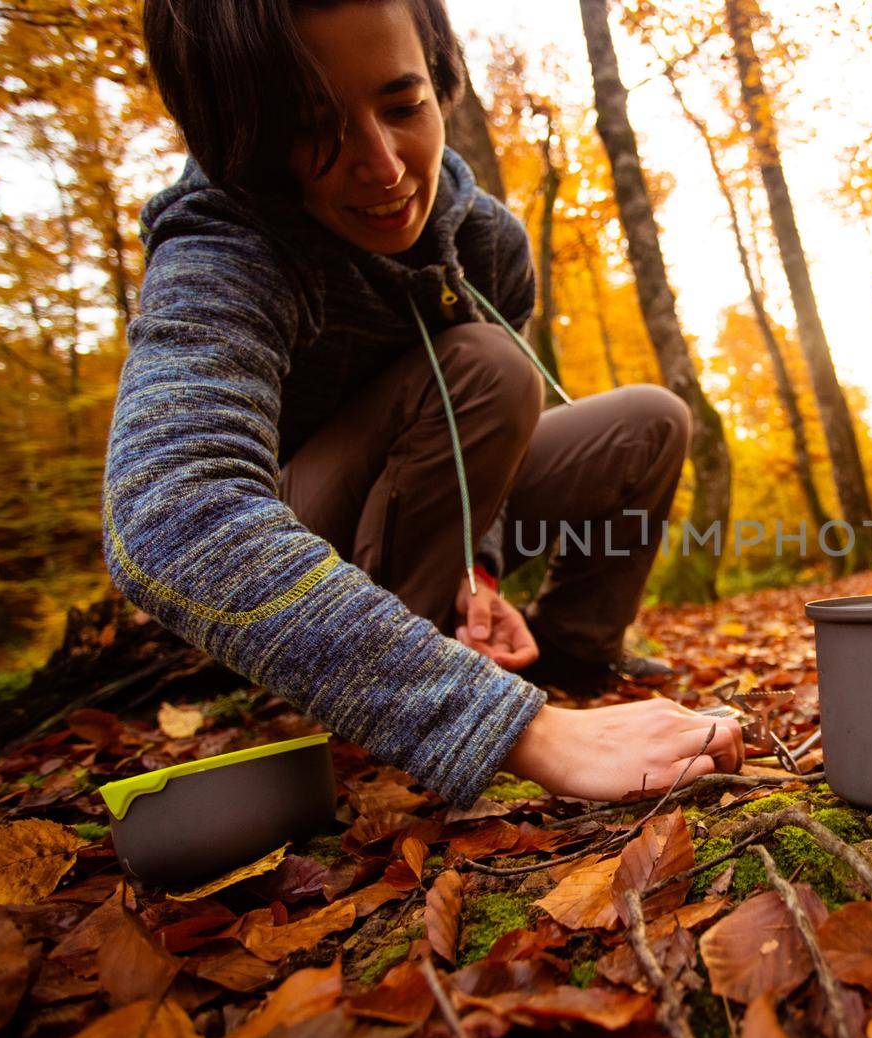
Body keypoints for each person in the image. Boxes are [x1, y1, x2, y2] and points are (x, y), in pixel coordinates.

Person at [105, 0, 744, 807]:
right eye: (312, 127)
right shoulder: (224, 248)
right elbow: (168, 506)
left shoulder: (489, 247)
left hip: (429, 487)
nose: (382, 166)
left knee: (648, 421)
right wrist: (515, 730)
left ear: (440, 82)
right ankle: (407, 689)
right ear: (247, 134)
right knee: (492, 367)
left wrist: (479, 574)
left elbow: (481, 454)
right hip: (309, 530)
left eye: (403, 107)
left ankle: (572, 659)